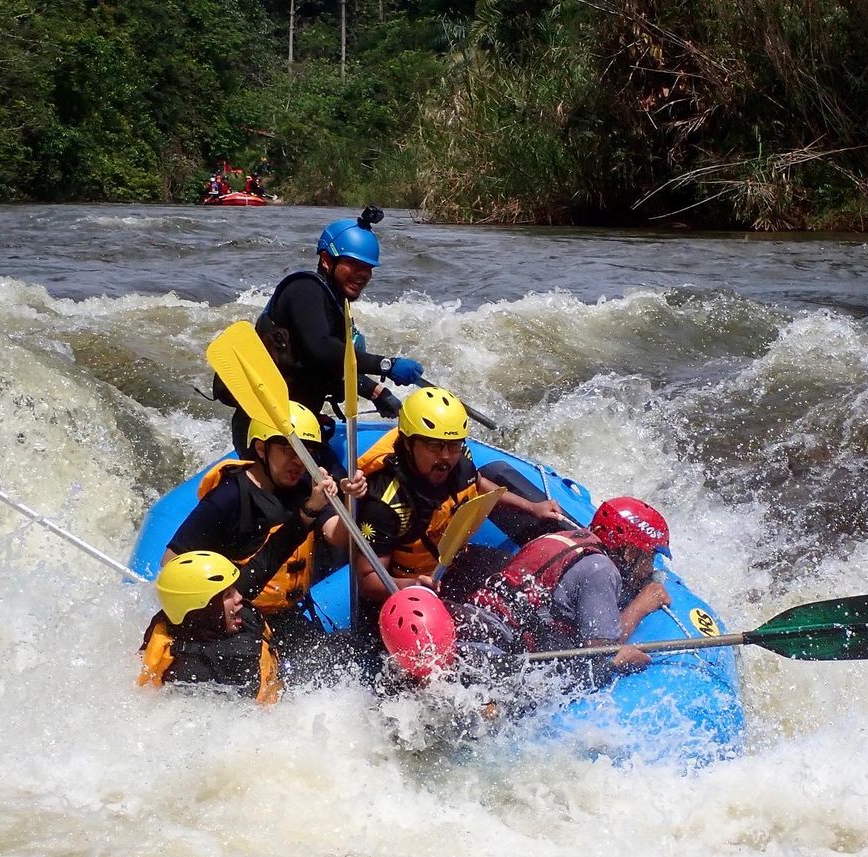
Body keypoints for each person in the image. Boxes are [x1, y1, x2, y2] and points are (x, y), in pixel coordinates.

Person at [216, 206, 425, 456]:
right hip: (266, 431)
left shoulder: (335, 304)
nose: (362, 275)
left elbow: (328, 366)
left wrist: (375, 391)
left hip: (299, 422)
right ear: (327, 260)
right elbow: (322, 350)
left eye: (368, 268)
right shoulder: (304, 290)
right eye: (353, 264)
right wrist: (386, 365)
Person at [163, 401, 366, 655]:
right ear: (261, 449)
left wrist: (351, 500)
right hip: (238, 617)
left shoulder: (305, 488)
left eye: (305, 452)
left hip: (287, 614)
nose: (297, 462)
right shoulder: (228, 498)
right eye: (287, 450)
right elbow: (171, 562)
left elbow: (339, 536)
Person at [353, 386, 573, 606]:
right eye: (434, 446)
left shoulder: (460, 463)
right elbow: (367, 580)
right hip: (408, 588)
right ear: (409, 443)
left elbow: (478, 483)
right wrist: (413, 585)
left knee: (525, 580)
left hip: (452, 564)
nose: (446, 457)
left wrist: (533, 507)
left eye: (453, 445)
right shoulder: (386, 503)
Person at [457, 496, 674, 684]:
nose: (651, 568)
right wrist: (641, 605)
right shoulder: (601, 569)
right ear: (629, 552)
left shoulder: (559, 539)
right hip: (501, 655)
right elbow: (600, 651)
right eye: (650, 557)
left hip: (475, 627)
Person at [138, 551, 282, 702]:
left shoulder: (231, 619)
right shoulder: (192, 677)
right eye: (227, 595)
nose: (239, 598)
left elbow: (261, 566)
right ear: (203, 611)